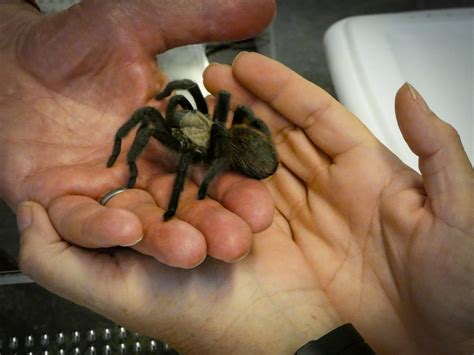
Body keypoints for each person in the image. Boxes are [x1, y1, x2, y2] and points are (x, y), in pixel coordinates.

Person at [4, 1, 473, 354]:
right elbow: (187, 95)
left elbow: (186, 150)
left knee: (177, 131)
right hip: (232, 144)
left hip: (230, 151)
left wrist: (183, 193)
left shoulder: (188, 139)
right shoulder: (211, 118)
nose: (174, 108)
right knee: (193, 109)